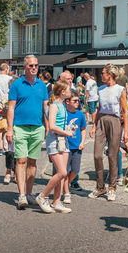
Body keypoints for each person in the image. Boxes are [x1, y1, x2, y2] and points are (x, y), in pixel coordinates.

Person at [6, 54, 49, 209]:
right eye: (31, 65)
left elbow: (46, 108)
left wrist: (48, 127)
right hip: (20, 127)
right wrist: (9, 129)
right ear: (25, 67)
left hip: (37, 128)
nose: (33, 68)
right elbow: (10, 108)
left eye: (36, 66)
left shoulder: (42, 85)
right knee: (21, 160)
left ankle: (30, 193)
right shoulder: (17, 84)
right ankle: (21, 195)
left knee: (32, 161)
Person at [89, 64, 128, 201]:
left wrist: (126, 131)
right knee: (97, 155)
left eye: (103, 73)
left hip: (115, 121)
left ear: (109, 74)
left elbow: (125, 111)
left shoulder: (120, 90)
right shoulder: (100, 89)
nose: (101, 75)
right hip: (101, 120)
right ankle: (100, 187)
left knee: (112, 155)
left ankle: (112, 188)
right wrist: (94, 126)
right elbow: (99, 109)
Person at [36, 80, 75, 214]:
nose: (71, 91)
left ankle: (56, 203)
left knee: (62, 174)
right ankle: (42, 196)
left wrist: (67, 128)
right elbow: (51, 126)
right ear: (63, 92)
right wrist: (67, 132)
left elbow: (59, 123)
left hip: (63, 140)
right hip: (54, 140)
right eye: (69, 89)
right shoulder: (54, 106)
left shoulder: (62, 105)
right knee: (62, 172)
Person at [63, 92, 86, 203]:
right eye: (75, 101)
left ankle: (65, 184)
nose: (78, 103)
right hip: (66, 146)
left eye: (78, 101)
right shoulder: (64, 113)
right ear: (67, 102)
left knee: (75, 171)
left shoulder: (80, 114)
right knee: (66, 171)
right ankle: (67, 193)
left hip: (77, 146)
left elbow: (83, 128)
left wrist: (82, 142)